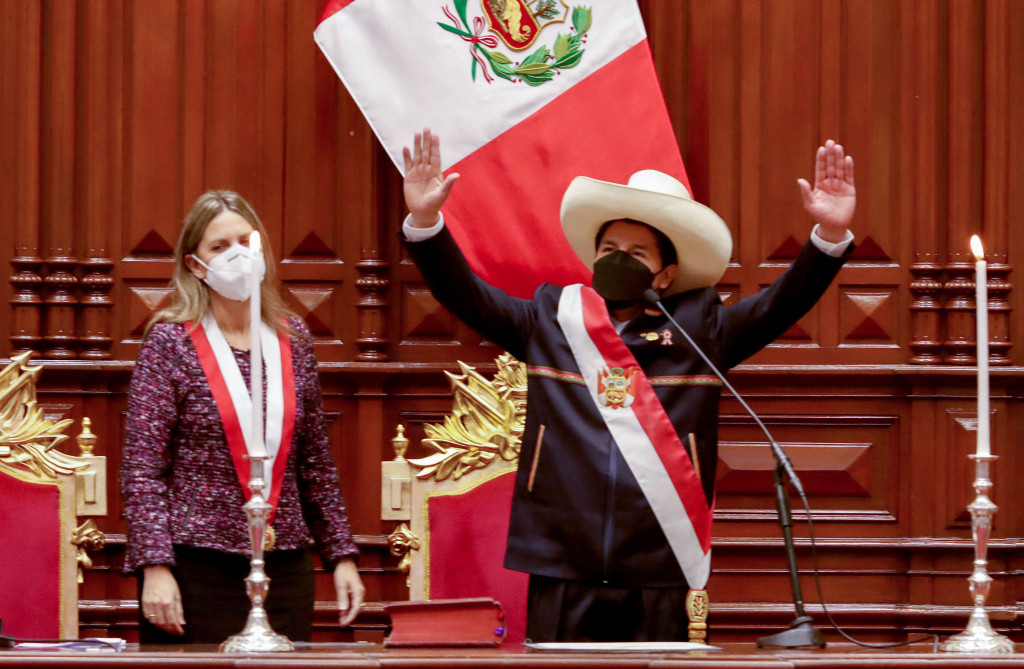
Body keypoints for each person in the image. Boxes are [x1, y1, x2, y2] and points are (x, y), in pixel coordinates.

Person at [401, 129, 856, 642]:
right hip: (560, 554)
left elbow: (783, 303)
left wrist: (829, 240)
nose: (619, 259)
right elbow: (466, 296)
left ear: (665, 275)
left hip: (658, 556)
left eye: (637, 253)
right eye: (609, 248)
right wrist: (425, 224)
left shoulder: (701, 329)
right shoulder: (551, 318)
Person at [121, 190, 364, 644]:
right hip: (195, 564)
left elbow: (315, 460)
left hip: (284, 561)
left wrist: (342, 556)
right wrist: (154, 566)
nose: (237, 254)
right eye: (219, 246)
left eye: (244, 241)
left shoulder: (294, 339)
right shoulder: (170, 342)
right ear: (196, 265)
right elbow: (143, 469)